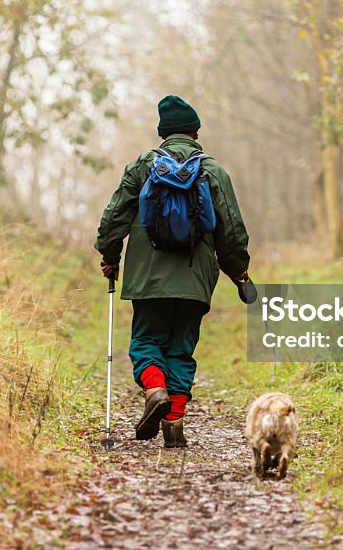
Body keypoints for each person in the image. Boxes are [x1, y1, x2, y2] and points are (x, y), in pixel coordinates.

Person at [95, 94, 251, 448]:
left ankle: (154, 389)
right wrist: (239, 273)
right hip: (196, 278)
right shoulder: (212, 170)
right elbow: (232, 230)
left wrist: (110, 254)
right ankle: (174, 425)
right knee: (181, 348)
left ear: (162, 133)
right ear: (196, 132)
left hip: (148, 278)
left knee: (147, 340)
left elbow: (114, 216)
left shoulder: (143, 166)